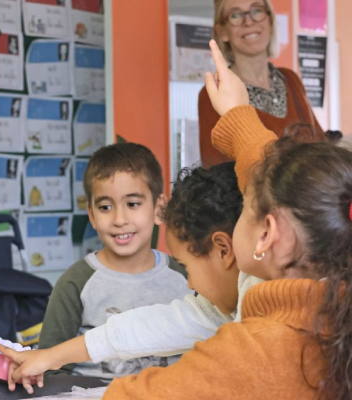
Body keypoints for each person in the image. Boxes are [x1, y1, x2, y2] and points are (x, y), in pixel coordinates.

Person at [100, 40, 352, 399]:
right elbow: (265, 172)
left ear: (267, 234)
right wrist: (238, 113)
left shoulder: (250, 356)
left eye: (245, 206)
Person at [0, 162, 249, 391]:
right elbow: (140, 329)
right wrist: (49, 356)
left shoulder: (267, 325)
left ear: (223, 250)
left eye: (188, 266)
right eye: (106, 206)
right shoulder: (215, 311)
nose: (190, 284)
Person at [26, 143, 192, 384]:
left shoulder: (186, 277)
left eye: (133, 204)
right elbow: (51, 367)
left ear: (159, 207)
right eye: (105, 207)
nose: (119, 219)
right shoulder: (75, 283)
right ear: (92, 215)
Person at [198, 0, 323, 167]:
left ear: (270, 21)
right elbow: (217, 174)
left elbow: (322, 145)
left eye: (256, 10)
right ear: (222, 32)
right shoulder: (215, 92)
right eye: (236, 15)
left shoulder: (290, 79)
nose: (248, 21)